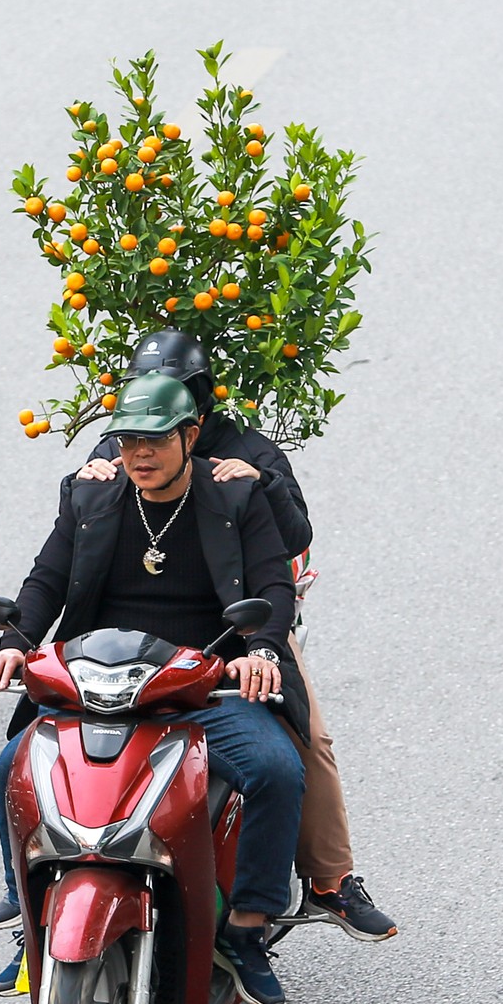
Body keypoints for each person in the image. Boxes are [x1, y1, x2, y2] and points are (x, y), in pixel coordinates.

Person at [51, 330, 397, 941]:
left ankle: (327, 880)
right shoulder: (120, 442)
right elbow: (73, 534)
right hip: (131, 655)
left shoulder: (247, 453)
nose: (146, 434)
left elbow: (289, 540)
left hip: (242, 629)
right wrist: (84, 475)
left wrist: (258, 486)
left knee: (300, 736)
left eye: (178, 399)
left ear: (199, 410)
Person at [0, 371, 304, 1004]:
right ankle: (31, 912)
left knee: (275, 770)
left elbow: (272, 586)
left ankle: (246, 928)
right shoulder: (92, 501)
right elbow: (46, 579)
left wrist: (260, 650)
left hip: (203, 686)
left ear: (190, 435)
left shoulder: (233, 498)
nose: (139, 455)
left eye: (154, 440)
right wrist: (15, 640)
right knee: (9, 768)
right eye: (126, 441)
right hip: (96, 682)